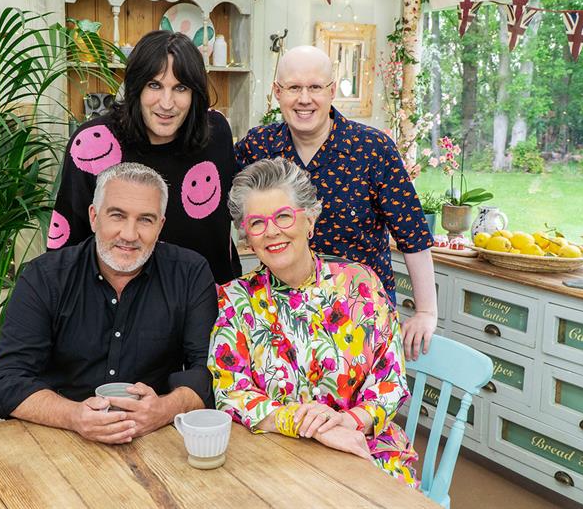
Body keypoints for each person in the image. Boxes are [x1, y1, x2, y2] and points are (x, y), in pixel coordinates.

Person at [208, 158, 418, 486]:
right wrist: (306, 425)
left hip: (363, 446)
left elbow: (390, 380)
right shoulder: (235, 299)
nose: (272, 231)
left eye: (283, 216)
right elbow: (230, 391)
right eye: (257, 223)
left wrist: (348, 422)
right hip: (277, 454)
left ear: (310, 220)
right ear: (247, 236)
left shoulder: (360, 284)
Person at [0, 163, 217, 444]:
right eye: (117, 215)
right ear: (94, 217)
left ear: (160, 226)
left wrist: (164, 409)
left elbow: (209, 371)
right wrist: (74, 416)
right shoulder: (45, 277)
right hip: (55, 435)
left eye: (145, 219)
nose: (130, 234)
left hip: (153, 437)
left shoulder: (190, 273)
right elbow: (5, 381)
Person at [235, 45, 436, 359]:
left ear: (331, 91)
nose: (304, 99)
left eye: (315, 87)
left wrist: (426, 311)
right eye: (293, 88)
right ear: (277, 92)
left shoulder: (373, 148)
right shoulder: (259, 145)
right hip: (283, 316)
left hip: (362, 314)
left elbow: (413, 234)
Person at [50, 30, 240, 283]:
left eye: (180, 87)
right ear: (136, 87)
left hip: (210, 300)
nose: (166, 102)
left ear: (195, 93)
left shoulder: (215, 132)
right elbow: (68, 244)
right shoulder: (93, 144)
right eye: (154, 85)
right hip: (119, 310)